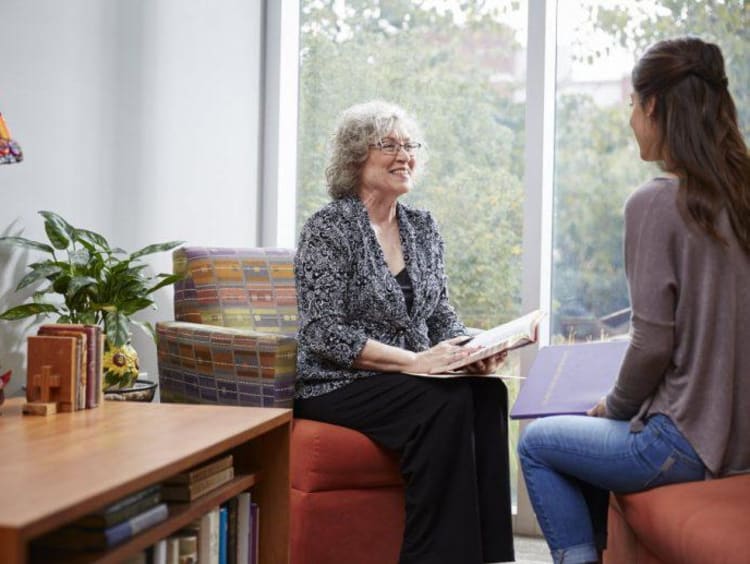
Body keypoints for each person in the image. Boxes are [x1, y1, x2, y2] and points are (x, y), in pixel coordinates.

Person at [518, 37, 750, 564]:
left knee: (536, 443)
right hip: (741, 442)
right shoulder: (741, 198)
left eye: (630, 105)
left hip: (683, 446)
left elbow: (651, 343)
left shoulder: (655, 202)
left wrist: (613, 407)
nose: (630, 119)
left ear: (653, 106)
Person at [293, 100, 515, 564]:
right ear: (356, 158)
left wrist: (469, 350)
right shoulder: (327, 229)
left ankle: (492, 557)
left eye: (409, 145)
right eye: (389, 145)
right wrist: (415, 362)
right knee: (446, 403)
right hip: (337, 382)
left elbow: (441, 316)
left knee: (487, 392)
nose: (404, 156)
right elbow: (322, 333)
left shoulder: (422, 226)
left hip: (408, 378)